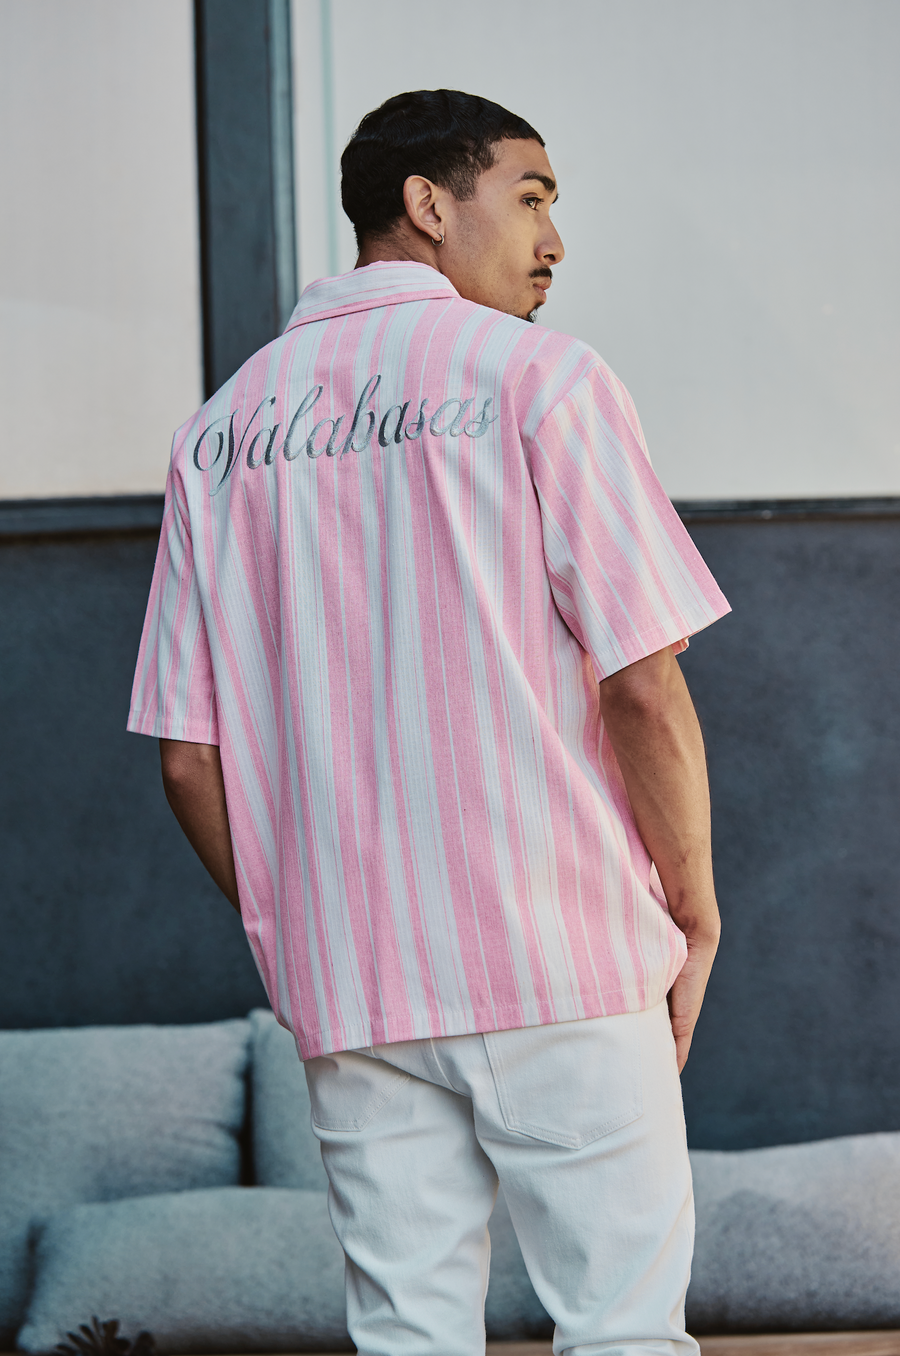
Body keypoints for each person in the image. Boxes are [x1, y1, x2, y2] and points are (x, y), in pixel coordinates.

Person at [129, 89, 730, 1356]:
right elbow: (642, 683)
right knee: (624, 1329)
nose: (554, 239)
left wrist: (299, 921)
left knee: (408, 1336)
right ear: (427, 204)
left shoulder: (218, 435)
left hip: (357, 982)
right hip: (561, 951)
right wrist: (694, 906)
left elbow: (189, 760)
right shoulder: (544, 381)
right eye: (531, 196)